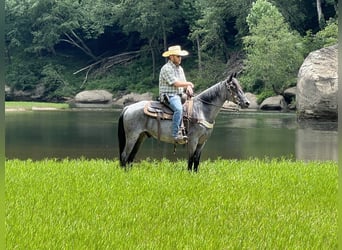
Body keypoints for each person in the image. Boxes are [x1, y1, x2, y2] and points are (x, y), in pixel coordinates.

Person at [159, 45, 194, 144]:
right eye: (178, 56)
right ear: (171, 57)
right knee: (179, 109)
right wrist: (189, 84)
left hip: (179, 94)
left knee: (193, 107)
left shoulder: (180, 69)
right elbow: (176, 83)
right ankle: (175, 134)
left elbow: (183, 82)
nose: (180, 58)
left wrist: (188, 87)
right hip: (169, 95)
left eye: (180, 56)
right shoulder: (166, 68)